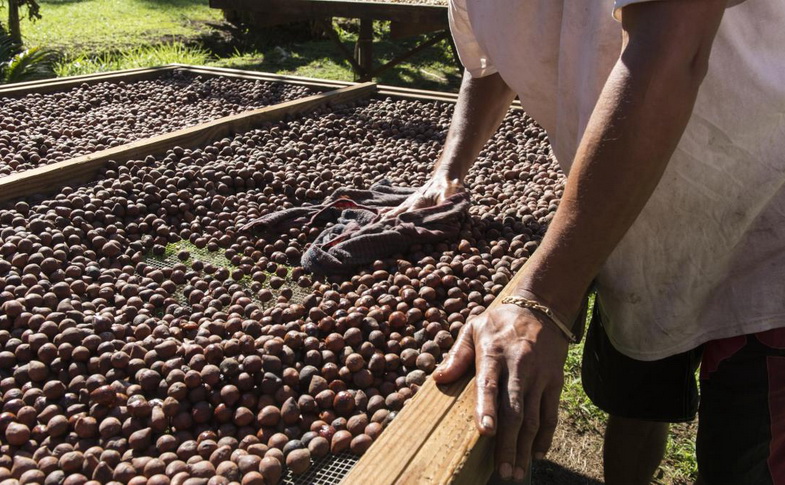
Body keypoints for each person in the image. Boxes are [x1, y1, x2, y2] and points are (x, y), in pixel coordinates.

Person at [387, 1, 785, 483]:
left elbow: (672, 50)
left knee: (747, 459)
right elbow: (493, 61)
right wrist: (447, 173)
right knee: (636, 404)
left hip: (764, 224)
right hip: (627, 228)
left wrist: (544, 296)